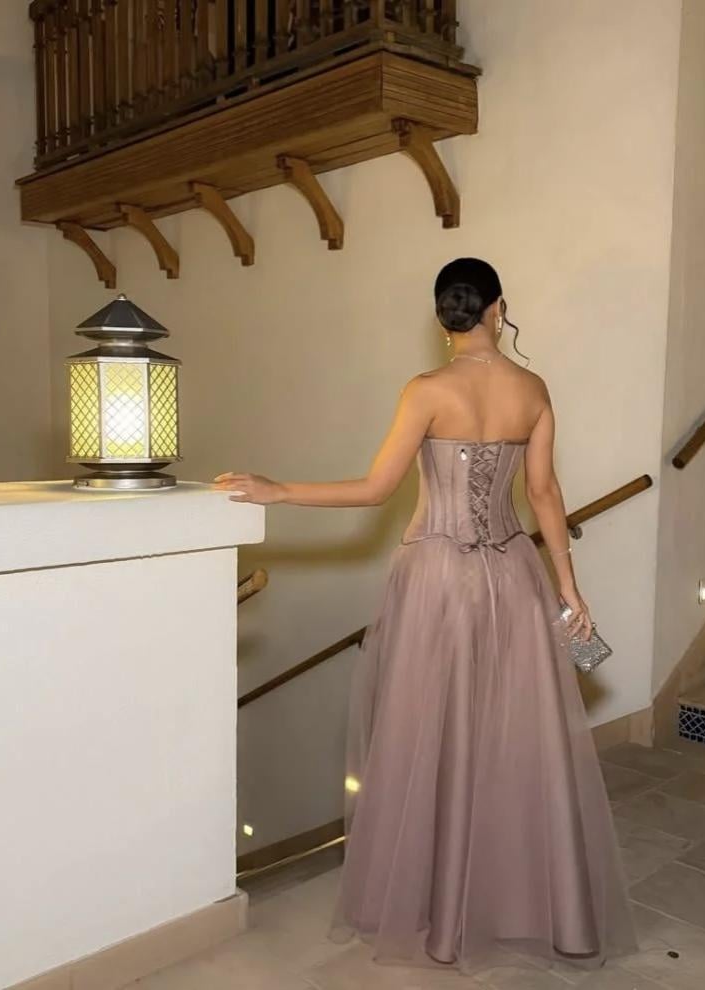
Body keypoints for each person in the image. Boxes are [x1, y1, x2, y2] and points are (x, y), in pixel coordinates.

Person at [214, 258, 637, 974]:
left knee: (431, 735)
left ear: (444, 318)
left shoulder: (426, 390)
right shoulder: (532, 390)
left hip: (437, 578)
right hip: (513, 574)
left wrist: (277, 490)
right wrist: (568, 586)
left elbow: (376, 490)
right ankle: (533, 907)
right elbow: (543, 493)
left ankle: (440, 913)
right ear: (498, 308)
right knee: (513, 737)